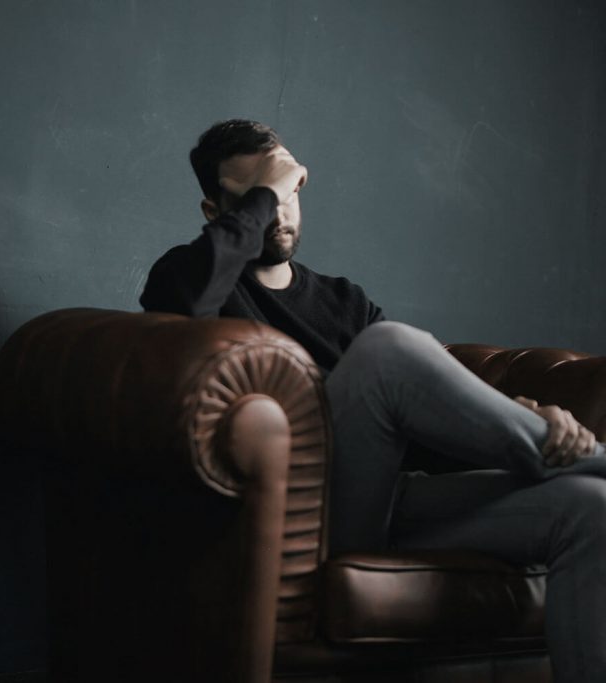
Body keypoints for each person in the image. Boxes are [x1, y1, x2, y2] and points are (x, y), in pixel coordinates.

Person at [140, 119, 606, 683]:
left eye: (289, 193)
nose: (279, 212)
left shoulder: (344, 300)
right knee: (386, 349)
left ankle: (569, 457)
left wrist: (529, 415)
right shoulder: (190, 278)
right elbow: (180, 310)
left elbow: (426, 420)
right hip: (308, 518)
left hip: (392, 504)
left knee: (590, 508)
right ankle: (581, 454)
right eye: (258, 198)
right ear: (217, 213)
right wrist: (269, 189)